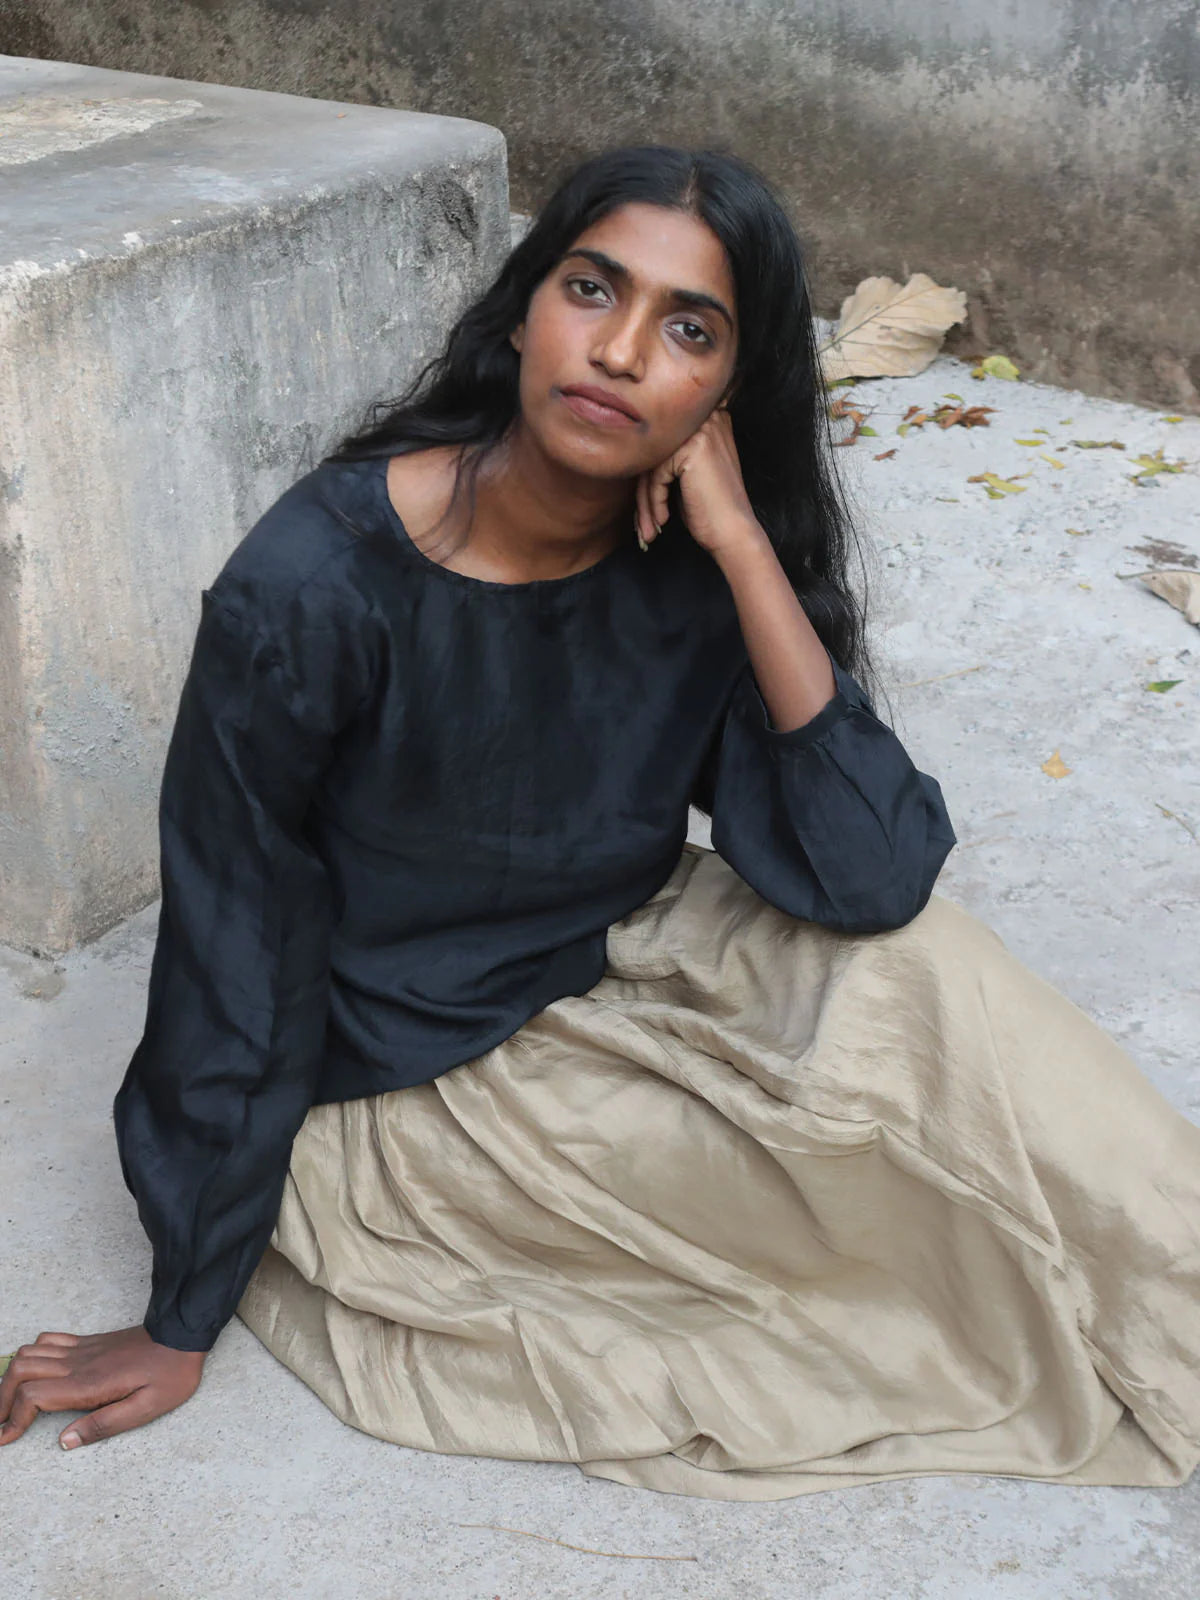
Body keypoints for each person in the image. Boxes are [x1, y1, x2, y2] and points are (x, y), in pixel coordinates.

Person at [3, 146, 1198, 1501]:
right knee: (863, 1249)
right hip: (412, 1055)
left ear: (726, 397)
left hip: (619, 942)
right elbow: (233, 944)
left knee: (932, 988)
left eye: (689, 329)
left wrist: (743, 546)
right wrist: (181, 1312)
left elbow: (871, 877)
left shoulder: (690, 555)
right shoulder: (311, 589)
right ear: (524, 308)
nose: (622, 352)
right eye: (592, 289)